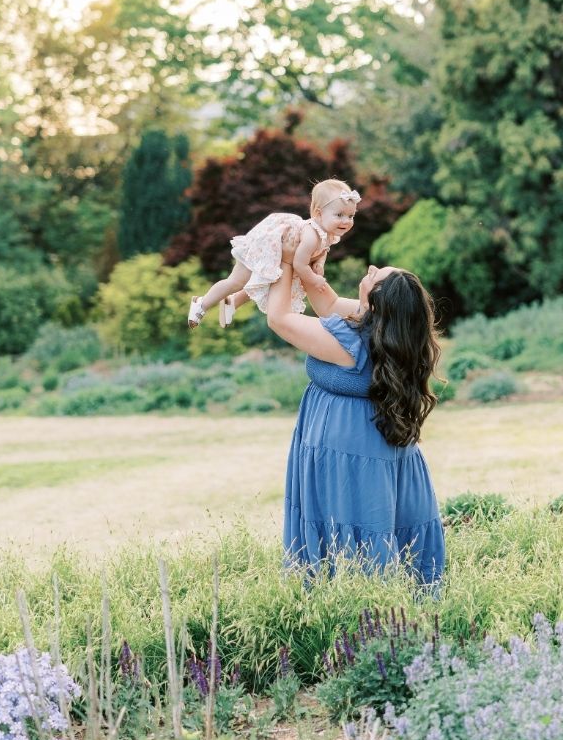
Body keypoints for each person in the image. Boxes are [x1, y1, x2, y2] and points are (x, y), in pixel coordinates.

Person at [265, 226, 445, 586]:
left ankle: (364, 615)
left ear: (375, 300)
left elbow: (279, 319)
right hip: (381, 441)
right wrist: (308, 266)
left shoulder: (349, 343)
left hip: (347, 449)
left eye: (377, 274)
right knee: (383, 528)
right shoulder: (400, 330)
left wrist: (284, 263)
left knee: (353, 533)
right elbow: (328, 303)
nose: (372, 269)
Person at [188, 180, 362, 329]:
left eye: (351, 216)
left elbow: (322, 250)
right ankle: (201, 304)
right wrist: (313, 279)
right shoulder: (311, 235)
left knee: (266, 280)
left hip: (277, 255)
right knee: (236, 281)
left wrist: (320, 263)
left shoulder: (328, 234)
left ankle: (232, 302)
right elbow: (300, 265)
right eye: (339, 215)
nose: (346, 221)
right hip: (264, 247)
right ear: (318, 213)